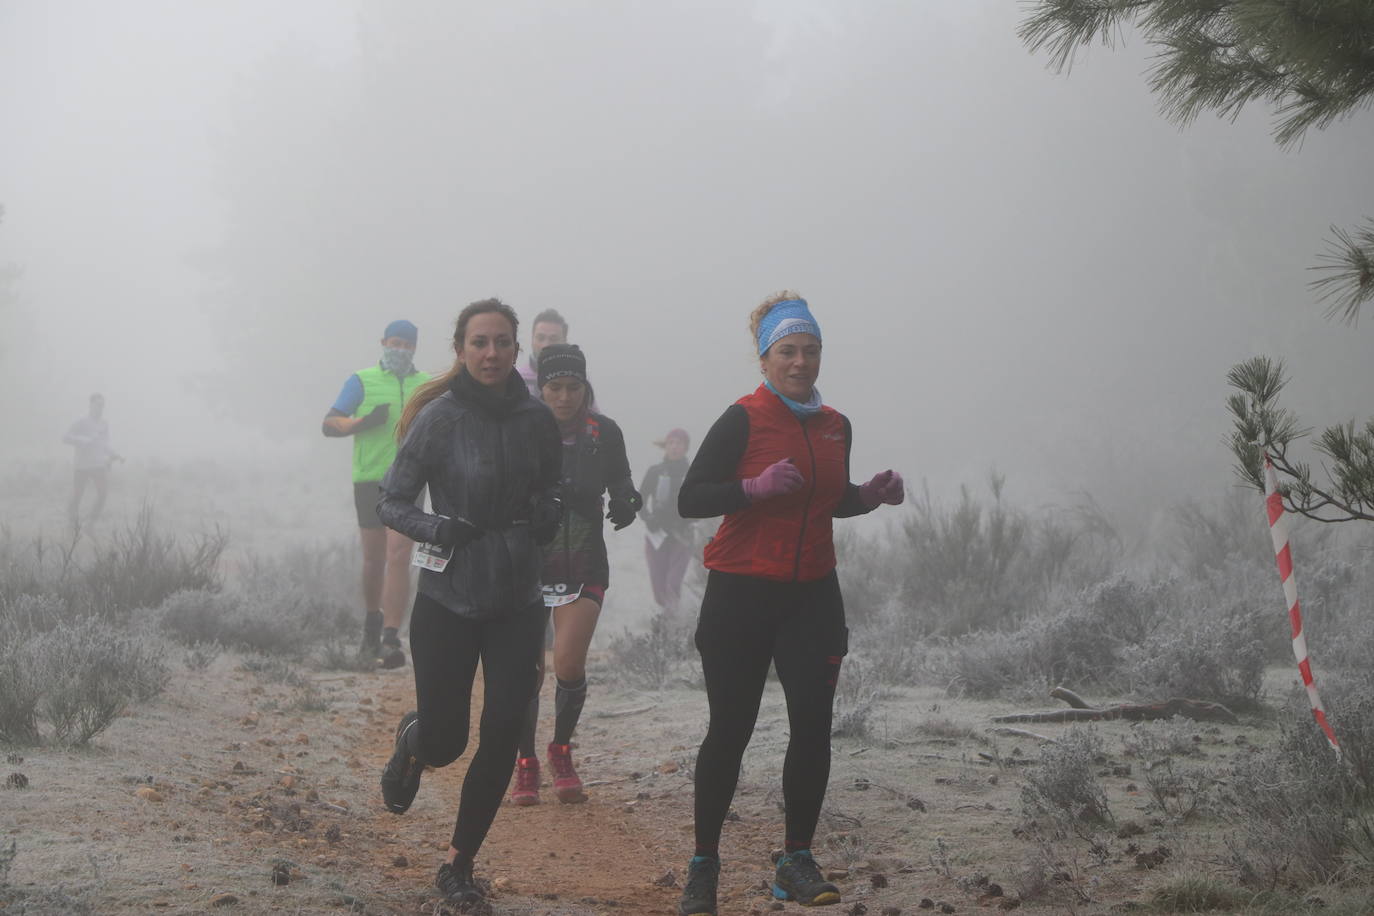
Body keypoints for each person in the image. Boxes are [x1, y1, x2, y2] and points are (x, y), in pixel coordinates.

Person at [673, 292, 906, 916]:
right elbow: (691, 497)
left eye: (810, 351)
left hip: (812, 596)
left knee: (811, 728)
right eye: (787, 352)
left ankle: (796, 860)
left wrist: (869, 495)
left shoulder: (835, 425)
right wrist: (750, 488)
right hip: (741, 594)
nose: (800, 362)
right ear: (765, 358)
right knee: (731, 729)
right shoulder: (742, 419)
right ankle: (703, 866)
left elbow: (829, 500)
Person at [377, 298, 563, 908]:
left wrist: (548, 513)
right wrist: (434, 528)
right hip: (448, 599)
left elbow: (554, 488)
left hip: (517, 599)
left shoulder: (538, 420)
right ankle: (414, 742)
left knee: (504, 730)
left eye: (502, 342)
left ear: (517, 350)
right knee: (447, 741)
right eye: (479, 342)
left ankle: (459, 866)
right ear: (460, 350)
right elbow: (391, 501)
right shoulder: (440, 418)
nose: (491, 353)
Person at [510, 344, 641, 806]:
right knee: (527, 674)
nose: (564, 397)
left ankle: (560, 750)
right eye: (555, 388)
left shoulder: (604, 433)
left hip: (584, 562)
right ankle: (524, 762)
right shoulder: (521, 429)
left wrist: (628, 499)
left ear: (586, 388)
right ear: (540, 389)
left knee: (567, 664)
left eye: (573, 388)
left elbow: (621, 479)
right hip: (527, 565)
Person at [322, 319, 431, 668]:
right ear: (382, 342)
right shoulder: (361, 381)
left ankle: (390, 636)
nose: (399, 349)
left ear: (414, 348)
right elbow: (330, 422)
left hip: (409, 481)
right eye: (394, 343)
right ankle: (371, 625)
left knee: (400, 555)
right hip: (369, 479)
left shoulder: (426, 385)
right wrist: (362, 422)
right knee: (374, 559)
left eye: (406, 345)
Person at [639, 428, 694, 616]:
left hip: (682, 535)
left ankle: (673, 627)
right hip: (657, 535)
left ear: (686, 447)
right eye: (671, 442)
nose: (675, 447)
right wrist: (647, 518)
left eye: (679, 443)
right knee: (659, 589)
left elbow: (705, 501)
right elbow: (636, 500)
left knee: (673, 584)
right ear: (666, 446)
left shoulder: (694, 473)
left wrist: (691, 518)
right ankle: (666, 624)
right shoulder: (654, 472)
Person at [64, 392, 121, 524]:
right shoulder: (81, 421)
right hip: (81, 465)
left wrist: (114, 454)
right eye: (98, 405)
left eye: (102, 405)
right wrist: (82, 440)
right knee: (77, 496)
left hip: (98, 465)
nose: (100, 408)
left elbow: (104, 444)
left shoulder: (104, 423)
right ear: (91, 405)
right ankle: (72, 524)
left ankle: (90, 523)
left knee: (103, 494)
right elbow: (65, 437)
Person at [516, 308, 569, 397]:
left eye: (553, 339)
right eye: (540, 338)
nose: (546, 345)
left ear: (565, 341)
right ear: (532, 339)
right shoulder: (516, 379)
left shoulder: (576, 380)